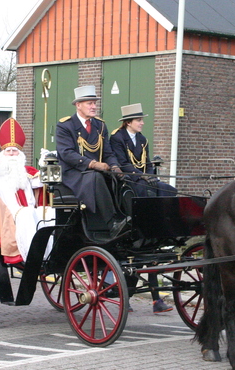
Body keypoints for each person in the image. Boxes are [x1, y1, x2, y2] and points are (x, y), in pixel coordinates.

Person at [110, 103, 176, 314]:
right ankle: (149, 219)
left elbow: (146, 163)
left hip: (142, 180)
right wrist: (142, 176)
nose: (142, 123)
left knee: (168, 189)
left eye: (141, 119)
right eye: (139, 120)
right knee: (143, 192)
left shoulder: (143, 140)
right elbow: (122, 163)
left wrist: (150, 176)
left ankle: (164, 223)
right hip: (126, 182)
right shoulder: (117, 138)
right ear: (128, 122)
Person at [0, 113, 52, 264]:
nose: (11, 154)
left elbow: (44, 182)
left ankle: (49, 253)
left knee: (49, 212)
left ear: (20, 153)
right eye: (8, 151)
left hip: (29, 210)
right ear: (3, 153)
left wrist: (46, 164)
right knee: (27, 213)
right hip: (8, 213)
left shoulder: (26, 171)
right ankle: (29, 254)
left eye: (15, 151)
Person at [55, 85, 128, 236]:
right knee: (95, 177)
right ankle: (111, 222)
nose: (94, 106)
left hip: (96, 171)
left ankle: (128, 219)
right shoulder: (65, 126)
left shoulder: (100, 125)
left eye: (95, 103)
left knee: (125, 179)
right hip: (74, 173)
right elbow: (67, 153)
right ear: (78, 105)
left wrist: (115, 166)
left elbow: (108, 152)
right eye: (90, 103)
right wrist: (93, 164)